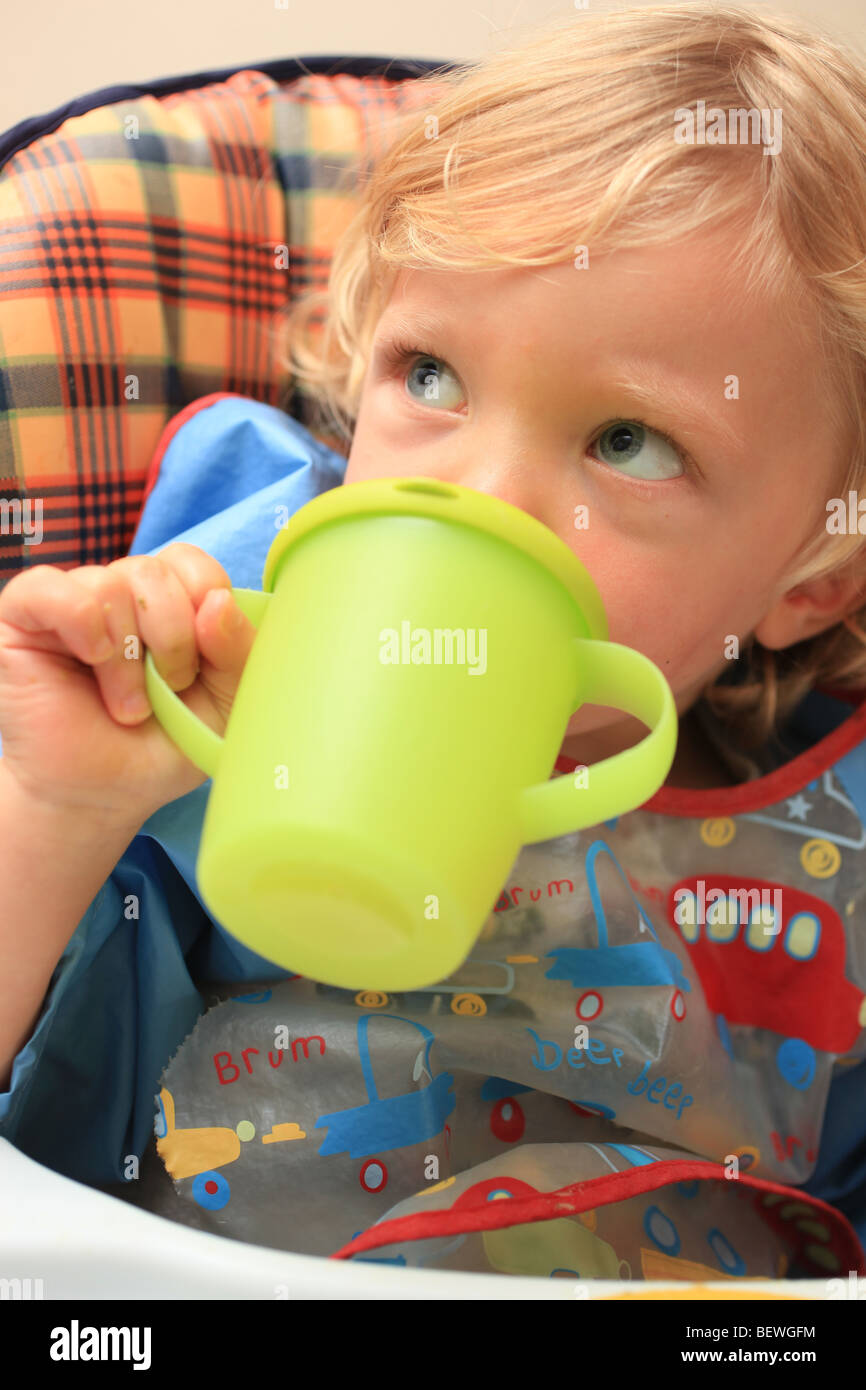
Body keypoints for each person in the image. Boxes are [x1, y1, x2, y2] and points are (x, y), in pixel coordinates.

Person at [2, 3, 866, 1273]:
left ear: (808, 576)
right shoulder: (190, 661)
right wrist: (52, 807)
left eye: (626, 442)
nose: (479, 497)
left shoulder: (817, 833)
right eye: (431, 377)